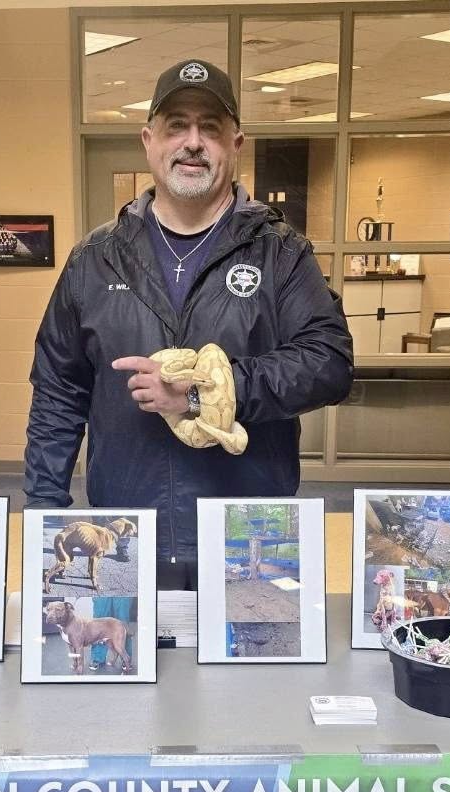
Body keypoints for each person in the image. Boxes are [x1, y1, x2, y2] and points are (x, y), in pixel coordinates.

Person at [23, 58, 353, 584]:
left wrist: (208, 393)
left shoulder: (280, 252)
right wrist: (44, 509)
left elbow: (329, 363)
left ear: (236, 144)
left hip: (243, 525)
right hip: (126, 531)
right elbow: (58, 392)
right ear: (149, 141)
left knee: (244, 662)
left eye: (211, 128)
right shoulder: (96, 257)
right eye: (177, 125)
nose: (193, 142)